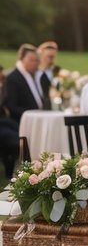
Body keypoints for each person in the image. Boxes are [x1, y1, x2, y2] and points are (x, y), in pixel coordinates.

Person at [1, 44, 45, 177]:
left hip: (36, 120)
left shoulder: (34, 76)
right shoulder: (13, 78)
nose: (36, 63)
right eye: (32, 60)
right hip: (21, 123)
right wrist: (33, 114)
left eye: (37, 60)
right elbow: (11, 106)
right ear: (22, 59)